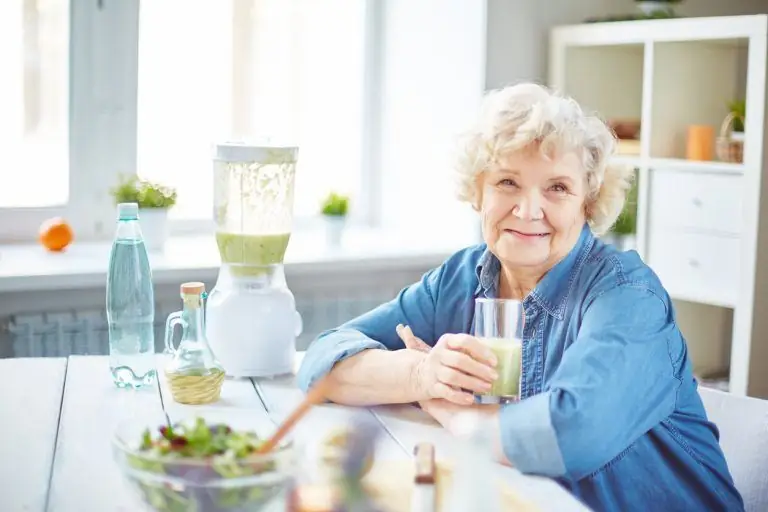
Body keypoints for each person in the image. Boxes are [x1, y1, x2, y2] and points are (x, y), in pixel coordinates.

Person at [296, 83, 743, 511]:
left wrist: (455, 415)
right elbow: (323, 362)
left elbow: (571, 435)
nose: (529, 211)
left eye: (557, 188)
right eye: (508, 182)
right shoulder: (462, 277)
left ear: (588, 201)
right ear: (478, 192)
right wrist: (421, 375)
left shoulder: (627, 296)